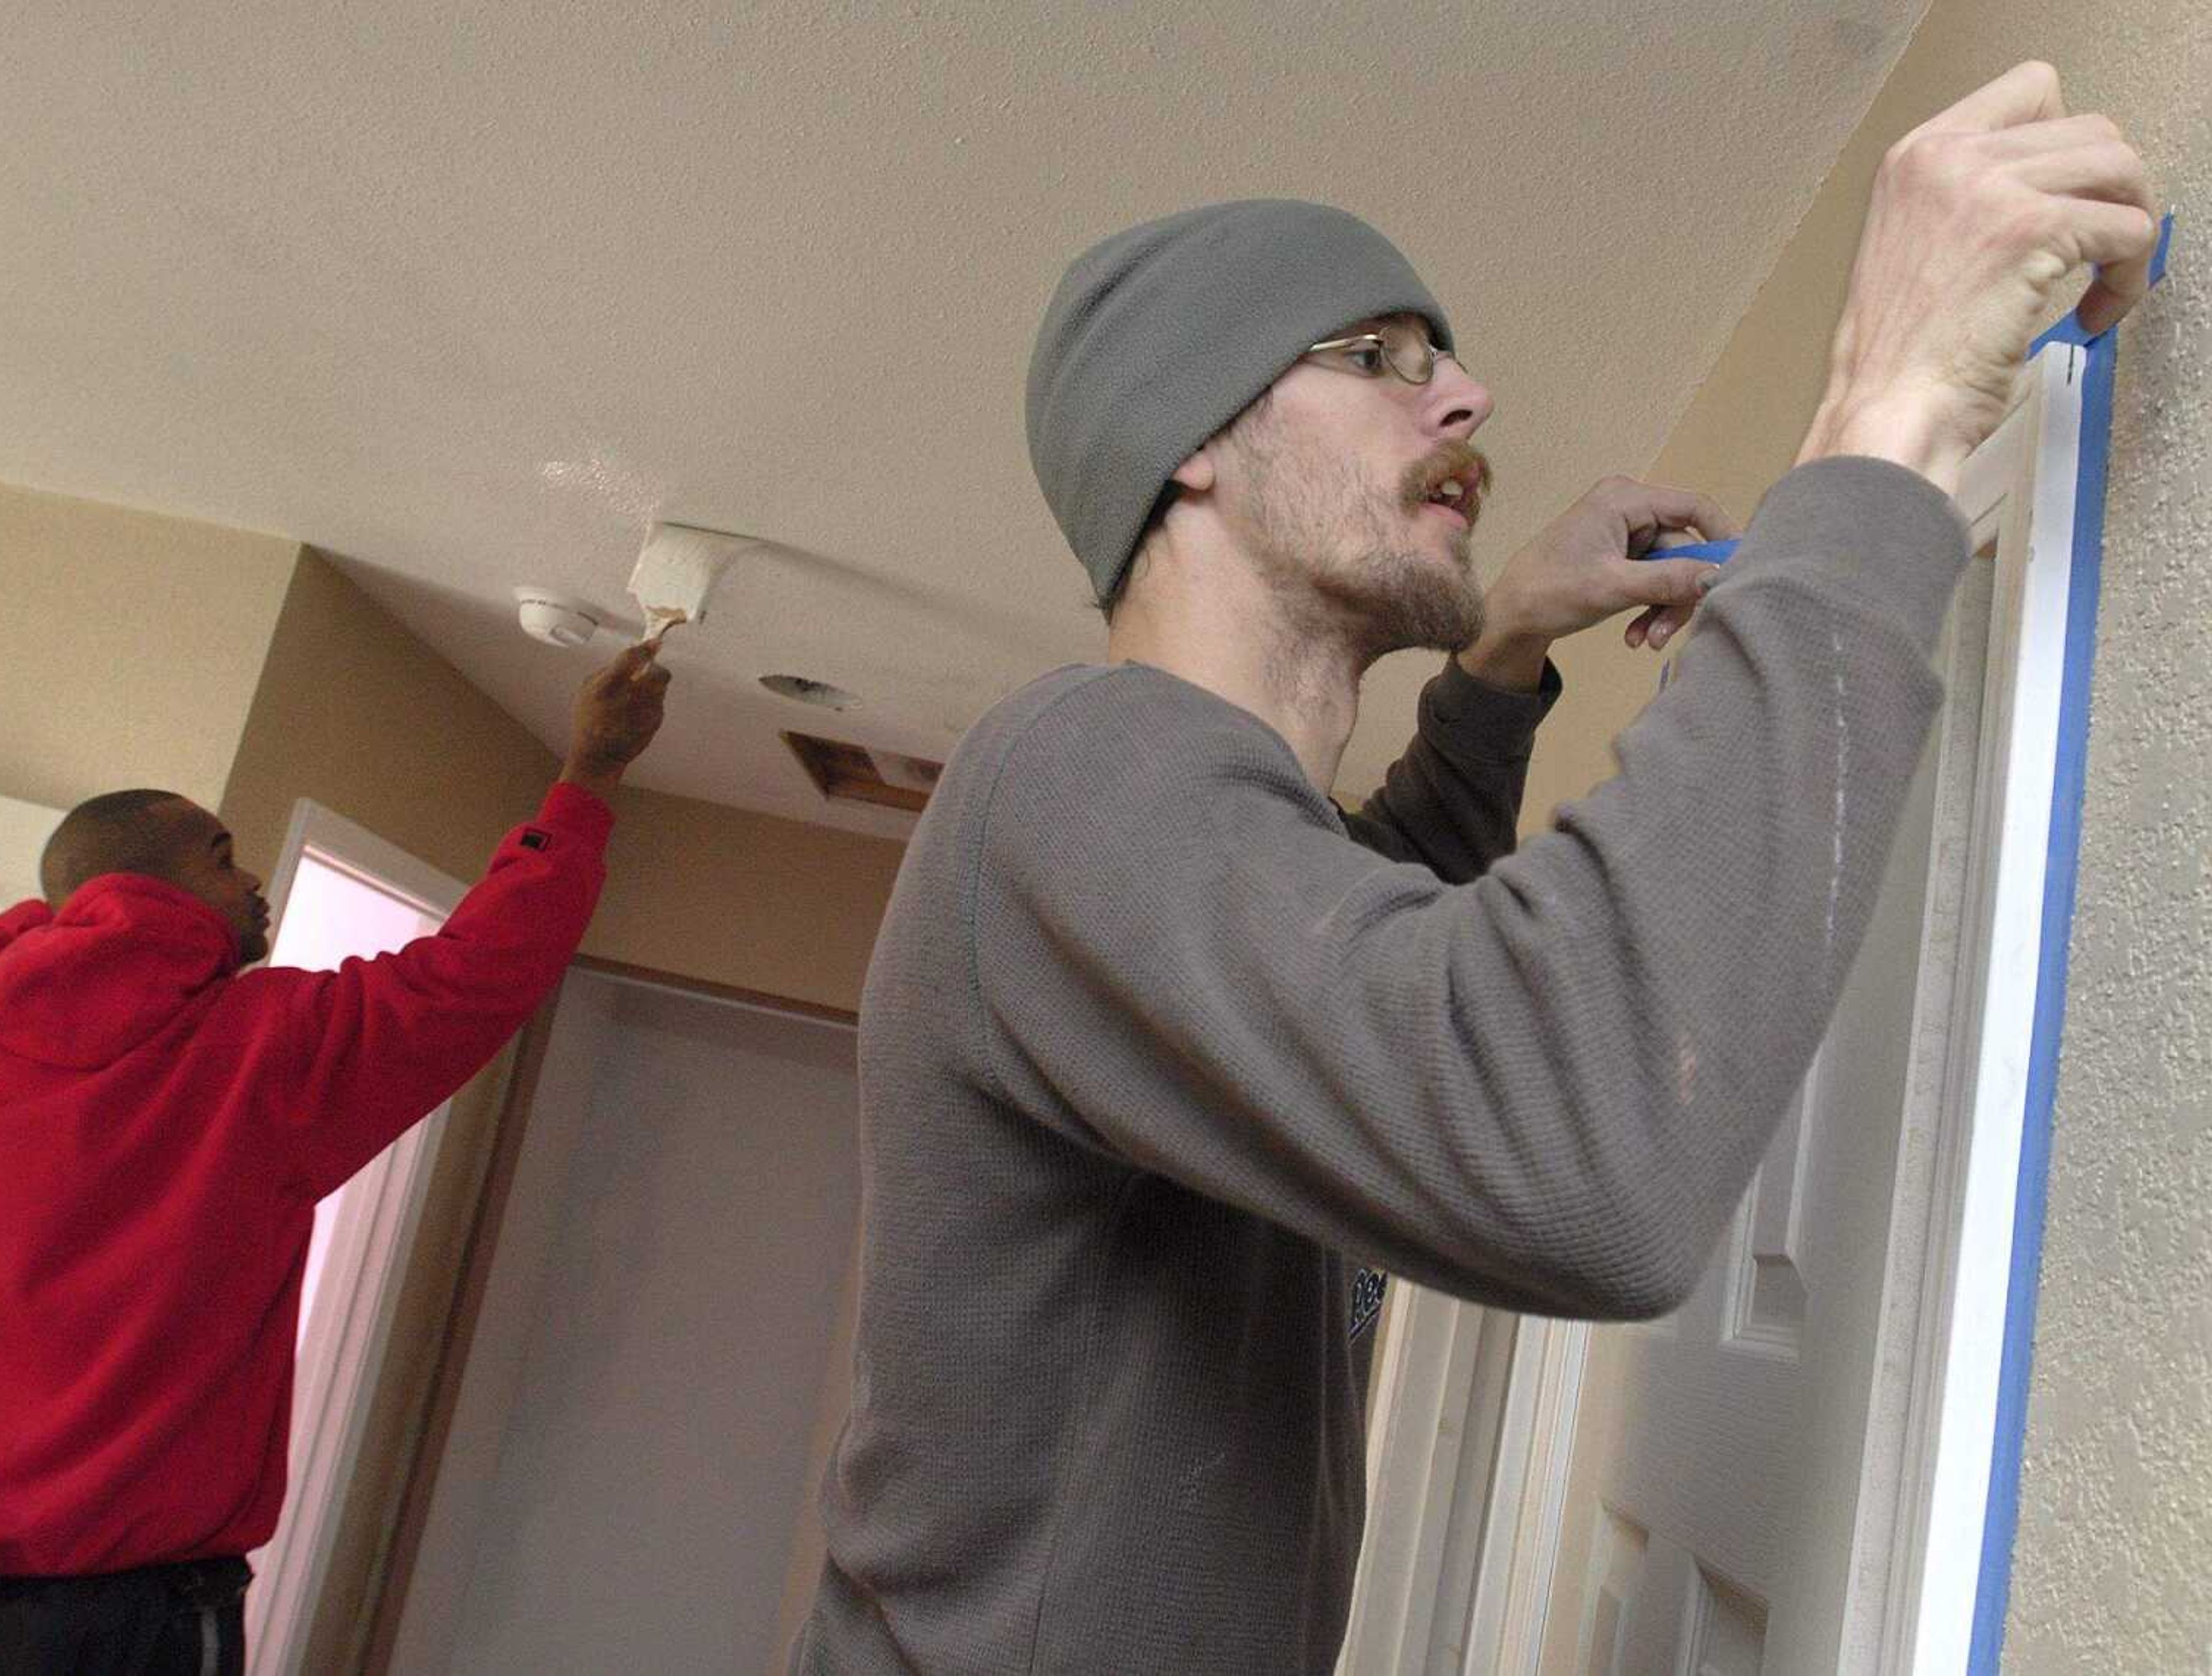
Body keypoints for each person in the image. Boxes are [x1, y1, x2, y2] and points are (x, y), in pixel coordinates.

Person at [792, 63, 2158, 1672]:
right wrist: (1888, 409)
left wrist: (1503, 651)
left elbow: (1355, 952)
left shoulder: (1134, 836)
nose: (1465, 397)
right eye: (1381, 356)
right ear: (1192, 440)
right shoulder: (1075, 764)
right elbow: (1574, 1137)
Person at [0, 641, 671, 1674]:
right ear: (161, 891)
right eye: (223, 858)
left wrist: (68, 915)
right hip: (119, 1616)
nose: (252, 885)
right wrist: (589, 776)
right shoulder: (262, 1053)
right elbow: (479, 972)